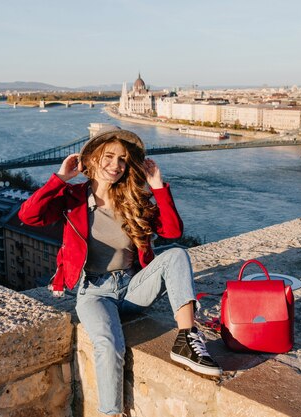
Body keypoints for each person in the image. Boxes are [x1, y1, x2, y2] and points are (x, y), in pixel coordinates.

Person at [18, 127, 221, 416]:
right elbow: (28, 215)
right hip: (94, 293)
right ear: (94, 159)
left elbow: (173, 232)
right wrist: (60, 178)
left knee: (176, 255)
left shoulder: (133, 199)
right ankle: (111, 413)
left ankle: (186, 338)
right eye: (109, 156)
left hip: (133, 288)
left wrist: (158, 186)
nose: (116, 165)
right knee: (109, 345)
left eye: (123, 159)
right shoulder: (73, 198)